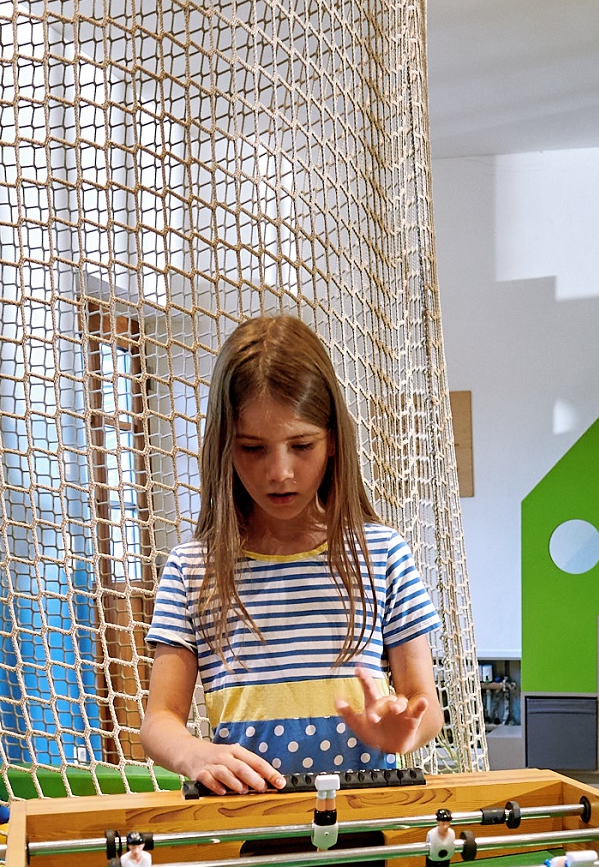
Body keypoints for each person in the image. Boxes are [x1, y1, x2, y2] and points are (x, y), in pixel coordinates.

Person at [139, 316, 444, 793]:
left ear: (333, 441)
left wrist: (404, 731)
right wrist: (193, 753)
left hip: (364, 812)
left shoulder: (383, 554)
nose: (279, 472)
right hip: (247, 815)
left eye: (301, 445)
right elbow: (159, 719)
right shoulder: (191, 569)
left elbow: (424, 702)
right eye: (253, 448)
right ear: (224, 448)